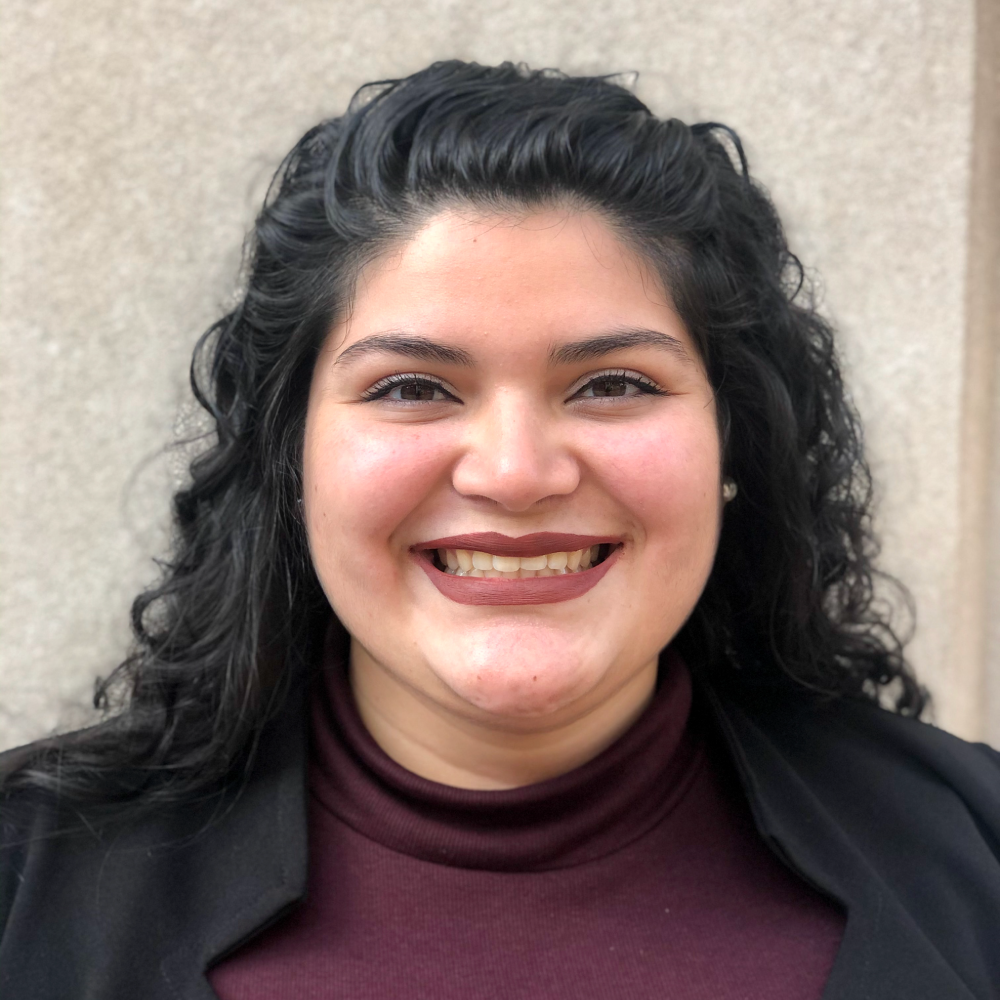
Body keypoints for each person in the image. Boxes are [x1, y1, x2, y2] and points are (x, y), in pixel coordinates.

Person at [1, 59, 998, 1000]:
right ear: (289, 455)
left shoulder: (972, 855)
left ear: (732, 441)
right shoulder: (24, 882)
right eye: (412, 387)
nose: (516, 474)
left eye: (614, 384)